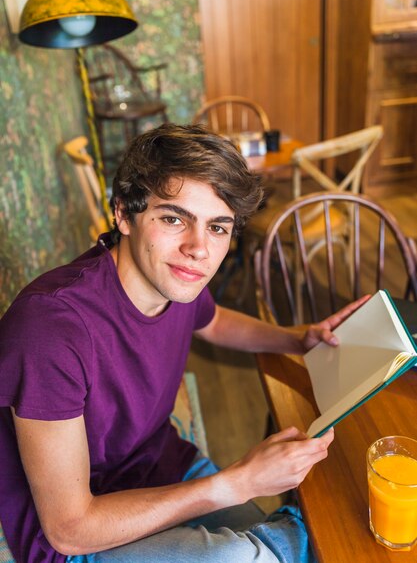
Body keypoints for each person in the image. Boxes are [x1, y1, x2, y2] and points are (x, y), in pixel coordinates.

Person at [0, 124, 367, 563]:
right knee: (286, 546)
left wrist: (295, 338)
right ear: (123, 214)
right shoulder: (50, 328)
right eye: (174, 218)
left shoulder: (174, 280)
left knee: (298, 544)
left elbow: (213, 321)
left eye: (218, 227)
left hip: (163, 467)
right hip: (78, 534)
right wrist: (236, 483)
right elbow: (69, 530)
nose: (199, 248)